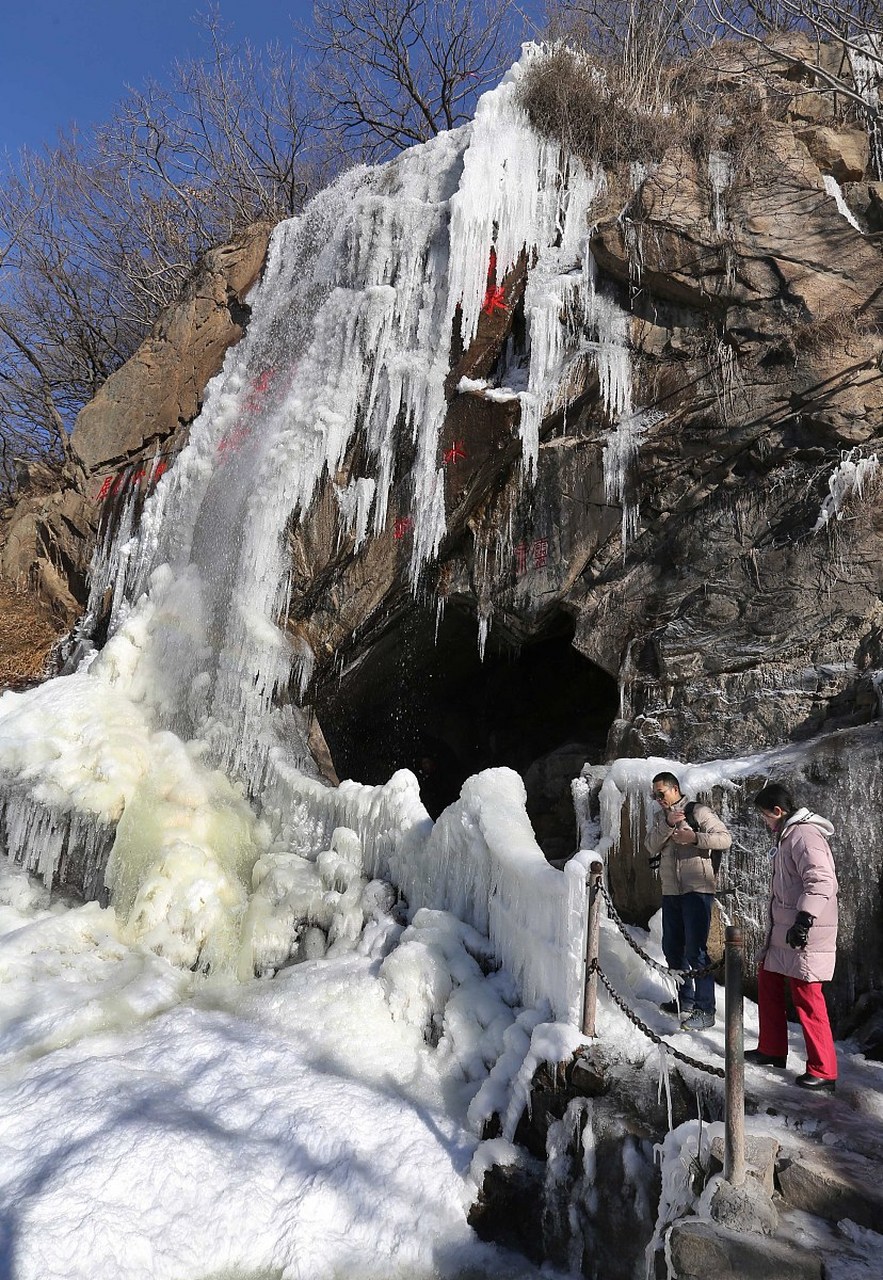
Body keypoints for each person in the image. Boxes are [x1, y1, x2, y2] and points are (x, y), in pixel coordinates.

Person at [746, 783, 838, 1092]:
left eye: (765, 816)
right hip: (785, 929)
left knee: (807, 995)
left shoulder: (804, 835)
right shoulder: (788, 835)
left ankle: (824, 1070)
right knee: (768, 977)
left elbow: (822, 881)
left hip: (805, 930)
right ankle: (771, 1048)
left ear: (778, 811)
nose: (765, 822)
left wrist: (804, 918)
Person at [645, 771, 732, 1031]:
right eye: (654, 795)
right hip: (671, 892)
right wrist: (668, 824)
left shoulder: (698, 811)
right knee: (673, 948)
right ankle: (685, 1000)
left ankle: (705, 1009)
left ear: (675, 789)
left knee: (696, 950)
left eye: (661, 793)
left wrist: (694, 838)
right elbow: (650, 846)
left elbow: (724, 838)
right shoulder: (661, 818)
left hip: (697, 889)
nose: (658, 799)